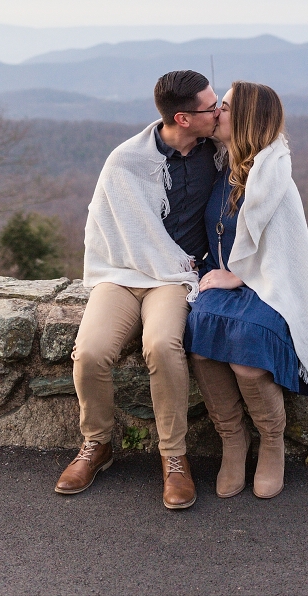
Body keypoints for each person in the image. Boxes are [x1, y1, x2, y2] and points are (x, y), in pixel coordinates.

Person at [54, 69, 221, 508]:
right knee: (89, 351)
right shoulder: (127, 160)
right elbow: (111, 227)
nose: (219, 110)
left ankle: (174, 458)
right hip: (124, 274)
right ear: (183, 119)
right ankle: (97, 445)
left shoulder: (218, 152)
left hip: (174, 276)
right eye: (211, 106)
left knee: (163, 346)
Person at [184, 80, 308, 500]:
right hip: (223, 278)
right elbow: (171, 129)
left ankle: (272, 440)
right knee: (199, 338)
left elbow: (286, 254)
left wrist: (237, 274)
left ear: (248, 119)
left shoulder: (273, 176)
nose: (217, 112)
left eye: (226, 107)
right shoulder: (221, 159)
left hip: (268, 286)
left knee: (249, 361)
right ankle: (233, 439)